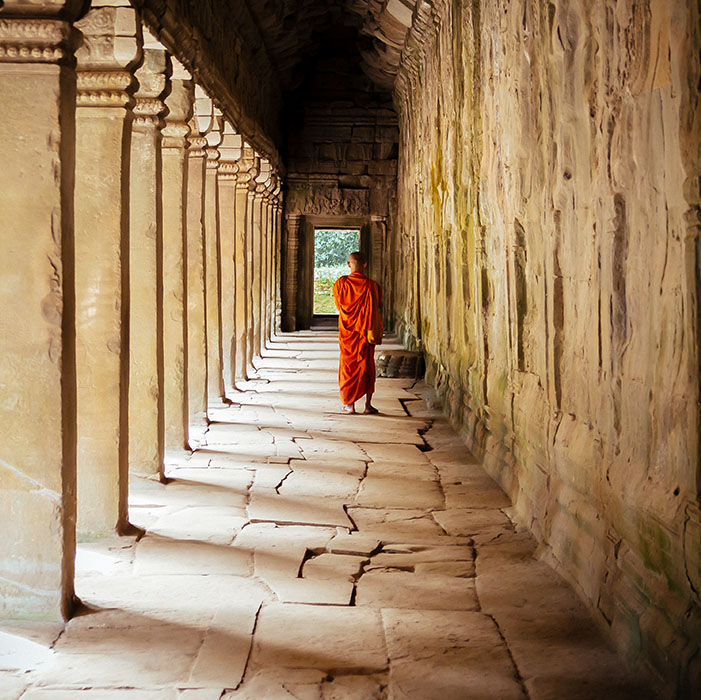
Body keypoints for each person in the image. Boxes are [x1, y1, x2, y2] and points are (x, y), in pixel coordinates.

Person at [332, 251, 383, 414]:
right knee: (367, 366)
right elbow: (378, 307)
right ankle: (368, 406)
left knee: (348, 367)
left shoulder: (341, 284)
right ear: (365, 264)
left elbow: (339, 306)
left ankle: (350, 404)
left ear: (349, 264)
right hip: (365, 334)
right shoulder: (373, 286)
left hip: (348, 335)